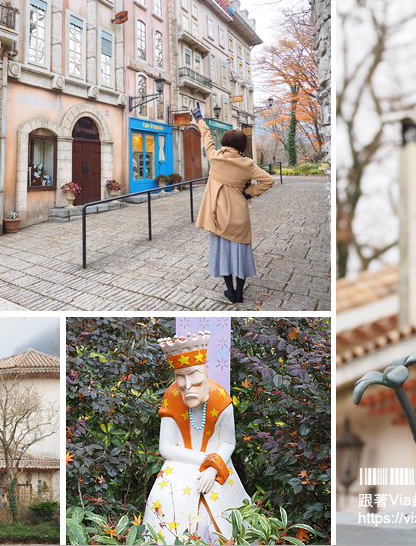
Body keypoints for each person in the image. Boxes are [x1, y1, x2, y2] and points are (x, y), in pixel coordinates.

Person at [143, 332, 251, 544]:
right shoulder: (171, 398)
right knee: (168, 516)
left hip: (217, 471)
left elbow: (228, 442)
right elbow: (166, 448)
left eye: (192, 375)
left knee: (227, 518)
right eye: (180, 377)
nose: (187, 385)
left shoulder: (220, 398)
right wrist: (207, 462)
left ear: (203, 372)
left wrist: (214, 468)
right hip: (178, 471)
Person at [191, 104, 274, 304]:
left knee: (224, 255)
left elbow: (207, 138)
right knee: (241, 254)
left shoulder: (215, 157)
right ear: (242, 146)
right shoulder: (248, 164)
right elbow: (268, 180)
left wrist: (200, 118)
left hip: (218, 216)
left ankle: (230, 291)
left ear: (225, 142)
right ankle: (240, 293)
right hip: (239, 216)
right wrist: (248, 193)